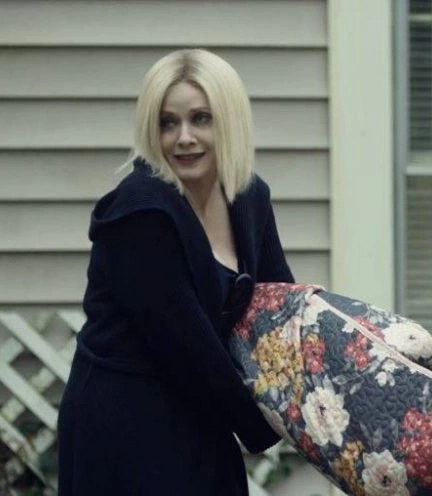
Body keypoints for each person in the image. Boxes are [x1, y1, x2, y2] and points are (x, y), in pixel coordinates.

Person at [57, 49, 295, 495]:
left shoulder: (248, 197)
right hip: (127, 422)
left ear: (229, 121)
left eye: (200, 119)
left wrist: (325, 389)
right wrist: (266, 425)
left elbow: (282, 309)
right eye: (168, 123)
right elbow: (187, 345)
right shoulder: (141, 212)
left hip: (200, 408)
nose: (184, 138)